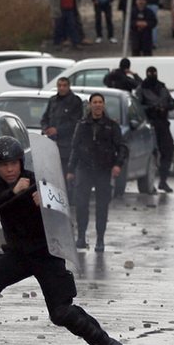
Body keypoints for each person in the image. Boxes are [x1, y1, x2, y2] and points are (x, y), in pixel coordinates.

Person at [0, 136, 129, 345]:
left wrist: (47, 200)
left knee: (61, 312)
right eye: (4, 165)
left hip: (46, 253)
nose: (10, 169)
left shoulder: (37, 181)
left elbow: (65, 207)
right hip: (17, 254)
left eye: (13, 163)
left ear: (21, 162)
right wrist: (14, 191)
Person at [67, 93, 126, 252]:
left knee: (102, 206)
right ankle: (81, 236)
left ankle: (100, 239)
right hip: (84, 169)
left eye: (100, 102)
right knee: (81, 205)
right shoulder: (82, 124)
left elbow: (121, 147)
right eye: (95, 102)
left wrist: (117, 165)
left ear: (104, 105)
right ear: (90, 105)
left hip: (103, 169)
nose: (98, 105)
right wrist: (71, 170)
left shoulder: (111, 126)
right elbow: (75, 147)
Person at [136, 66, 174, 192]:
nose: (152, 75)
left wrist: (164, 107)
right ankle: (149, 183)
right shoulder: (142, 89)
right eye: (150, 73)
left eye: (154, 73)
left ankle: (163, 181)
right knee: (152, 154)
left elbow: (172, 103)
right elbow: (138, 106)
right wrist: (152, 108)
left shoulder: (162, 88)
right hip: (150, 125)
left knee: (168, 151)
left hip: (163, 124)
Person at [40, 77, 83, 178]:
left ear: (68, 86)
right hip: (51, 144)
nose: (62, 88)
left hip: (67, 146)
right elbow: (44, 118)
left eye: (64, 86)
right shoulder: (53, 100)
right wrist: (45, 128)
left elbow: (76, 123)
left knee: (65, 175)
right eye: (59, 85)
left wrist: (57, 130)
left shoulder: (75, 101)